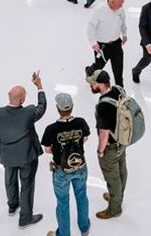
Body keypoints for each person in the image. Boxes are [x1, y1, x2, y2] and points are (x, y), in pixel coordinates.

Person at [0, 74, 47, 230]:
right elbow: (42, 106)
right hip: (27, 156)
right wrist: (39, 86)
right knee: (27, 185)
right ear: (22, 100)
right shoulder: (28, 112)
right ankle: (25, 218)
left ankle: (12, 205)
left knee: (10, 180)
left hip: (8, 156)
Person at [41, 93, 92, 236]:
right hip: (80, 166)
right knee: (81, 196)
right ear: (72, 107)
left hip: (61, 170)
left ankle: (64, 234)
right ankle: (84, 228)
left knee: (63, 203)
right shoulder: (81, 122)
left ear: (57, 108)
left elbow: (46, 149)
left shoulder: (51, 129)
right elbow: (86, 137)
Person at [86, 69, 127, 220]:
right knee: (122, 169)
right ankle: (117, 197)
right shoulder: (117, 89)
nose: (91, 86)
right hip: (122, 140)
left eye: (94, 84)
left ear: (102, 85)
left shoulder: (104, 106)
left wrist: (100, 151)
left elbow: (104, 133)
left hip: (110, 146)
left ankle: (115, 208)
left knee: (112, 177)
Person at [85, 0, 128, 87]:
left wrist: (124, 34)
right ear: (112, 2)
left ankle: (120, 88)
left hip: (116, 44)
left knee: (118, 69)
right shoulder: (99, 10)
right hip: (102, 46)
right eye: (120, 3)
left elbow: (123, 22)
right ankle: (89, 71)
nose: (122, 6)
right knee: (98, 67)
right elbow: (90, 28)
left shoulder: (120, 9)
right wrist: (93, 43)